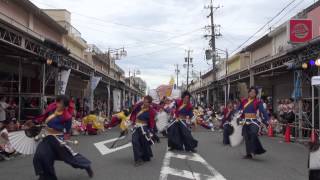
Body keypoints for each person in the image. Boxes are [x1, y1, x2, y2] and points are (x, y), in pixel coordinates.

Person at [31, 95, 93, 180]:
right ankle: (46, 177)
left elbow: (67, 131)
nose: (58, 104)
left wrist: (65, 141)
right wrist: (34, 122)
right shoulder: (51, 108)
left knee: (70, 158)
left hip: (57, 139)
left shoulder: (67, 116)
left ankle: (86, 166)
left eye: (60, 103)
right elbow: (43, 117)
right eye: (57, 101)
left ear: (65, 106)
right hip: (46, 137)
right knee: (41, 155)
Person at [238, 87, 269, 159]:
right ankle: (248, 154)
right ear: (248, 93)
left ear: (256, 94)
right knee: (246, 137)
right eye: (251, 92)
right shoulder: (244, 101)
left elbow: (263, 111)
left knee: (254, 133)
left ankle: (255, 149)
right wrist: (237, 117)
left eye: (254, 92)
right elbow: (239, 110)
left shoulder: (258, 102)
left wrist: (267, 119)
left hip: (253, 120)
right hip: (244, 120)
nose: (252, 93)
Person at [130, 96, 156, 166]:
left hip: (144, 128)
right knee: (134, 141)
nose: (144, 102)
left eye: (146, 102)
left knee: (144, 143)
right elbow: (134, 114)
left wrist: (151, 131)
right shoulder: (139, 107)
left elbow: (152, 122)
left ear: (150, 103)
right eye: (144, 101)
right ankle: (138, 159)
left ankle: (144, 155)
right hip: (136, 126)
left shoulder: (151, 111)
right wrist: (132, 122)